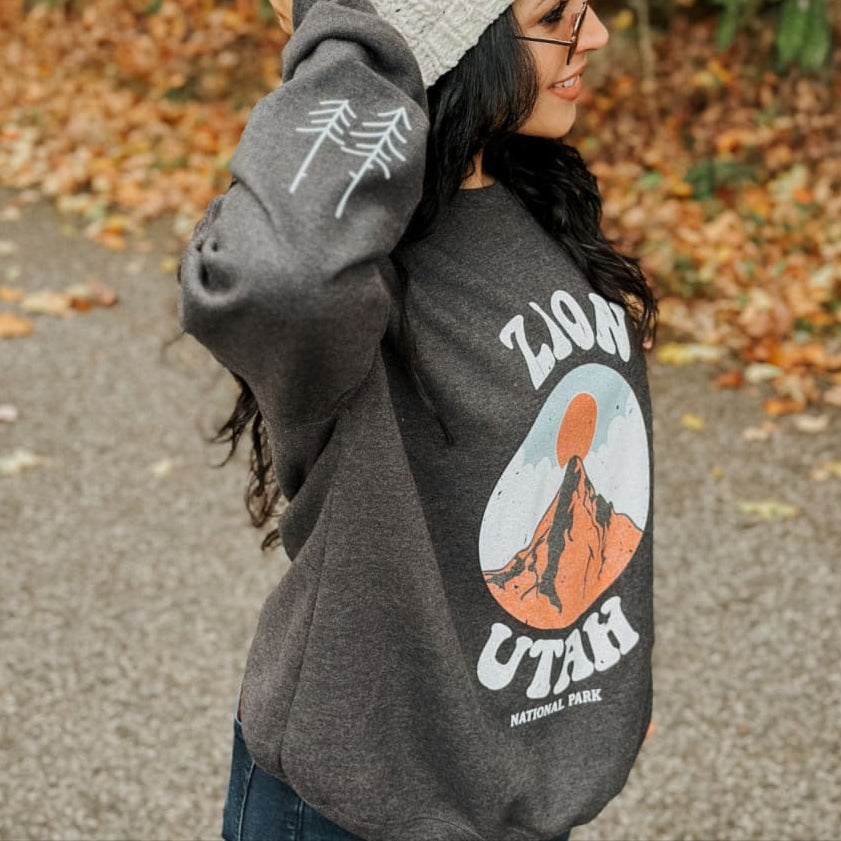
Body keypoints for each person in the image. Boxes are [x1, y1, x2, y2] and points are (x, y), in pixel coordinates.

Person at [176, 0, 659, 838]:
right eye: (554, 14)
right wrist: (360, 28)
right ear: (450, 36)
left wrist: (600, 702)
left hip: (521, 785)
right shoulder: (359, 280)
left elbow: (599, 487)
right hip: (357, 804)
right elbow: (275, 280)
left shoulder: (529, 197)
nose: (595, 34)